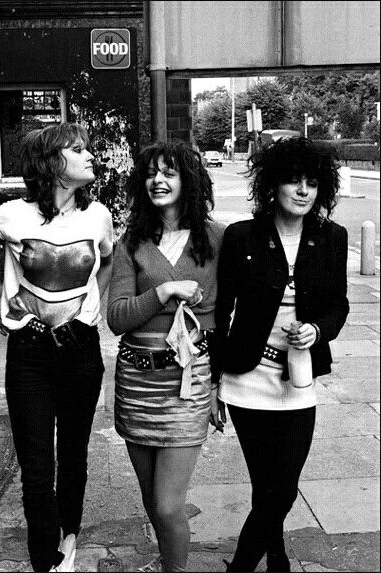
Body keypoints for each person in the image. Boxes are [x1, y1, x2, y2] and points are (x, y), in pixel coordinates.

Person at [212, 137, 349, 572]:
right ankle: (277, 557)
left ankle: (242, 566)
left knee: (283, 487)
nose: (303, 191)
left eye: (311, 183)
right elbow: (220, 310)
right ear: (274, 186)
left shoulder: (332, 238)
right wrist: (214, 381)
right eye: (293, 181)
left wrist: (317, 329)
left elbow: (338, 304)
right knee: (264, 485)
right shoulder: (241, 236)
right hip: (247, 377)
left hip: (298, 377)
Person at [0, 123, 113, 572]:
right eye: (78, 150)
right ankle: (45, 561)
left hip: (81, 349)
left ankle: (69, 544)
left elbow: (109, 257)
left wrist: (90, 308)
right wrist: (2, 308)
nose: (90, 156)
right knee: (36, 469)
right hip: (29, 353)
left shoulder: (97, 215)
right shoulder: (9, 215)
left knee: (74, 457)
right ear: (51, 163)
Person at [107, 141, 225, 572]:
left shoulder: (216, 239)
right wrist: (163, 291)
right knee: (150, 500)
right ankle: (163, 559)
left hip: (187, 382)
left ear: (188, 180)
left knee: (168, 504)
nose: (158, 180)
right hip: (137, 382)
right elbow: (117, 317)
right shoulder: (132, 243)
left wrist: (219, 385)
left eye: (169, 173)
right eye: (152, 173)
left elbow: (228, 314)